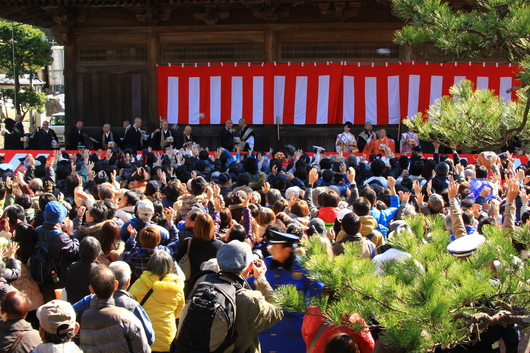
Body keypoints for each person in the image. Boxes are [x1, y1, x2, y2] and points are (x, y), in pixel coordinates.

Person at [177, 240, 283, 353]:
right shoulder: (250, 300)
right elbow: (278, 311)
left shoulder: (201, 283)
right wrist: (261, 279)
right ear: (249, 267)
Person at [248, 230, 323, 353]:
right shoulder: (266, 264)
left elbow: (319, 291)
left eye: (275, 247)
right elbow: (249, 284)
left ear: (286, 250)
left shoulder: (302, 266)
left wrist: (309, 316)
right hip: (267, 334)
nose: (271, 249)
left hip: (292, 336)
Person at [72, 261, 155, 346]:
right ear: (128, 282)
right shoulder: (133, 307)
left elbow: (71, 312)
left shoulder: (88, 301)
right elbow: (149, 337)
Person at [129, 251, 185, 352]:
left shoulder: (140, 283)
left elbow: (130, 307)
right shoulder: (177, 287)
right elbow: (178, 313)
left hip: (144, 335)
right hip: (167, 336)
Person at [37, 201, 80, 302]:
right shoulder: (60, 237)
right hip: (58, 281)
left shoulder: (38, 230)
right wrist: (71, 233)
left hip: (42, 277)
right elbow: (75, 251)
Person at [65, 236, 101, 305]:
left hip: (73, 306)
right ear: (98, 251)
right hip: (90, 308)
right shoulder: (98, 271)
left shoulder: (72, 267)